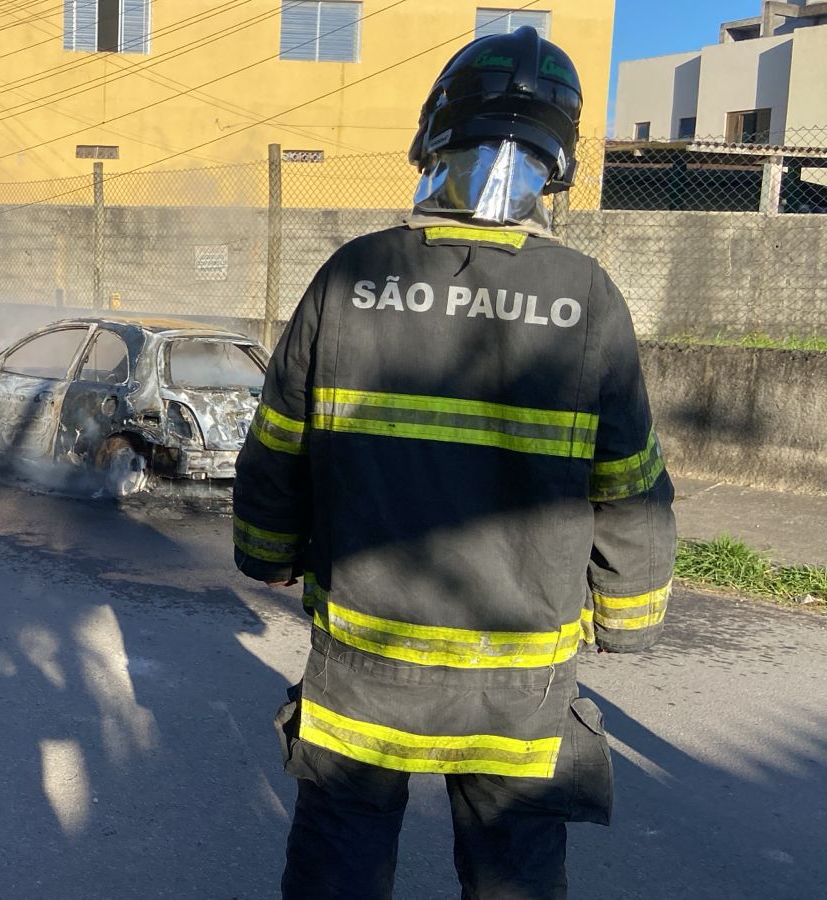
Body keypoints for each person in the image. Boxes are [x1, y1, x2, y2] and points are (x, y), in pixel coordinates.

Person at [232, 27, 676, 900]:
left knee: (340, 867)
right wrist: (627, 613)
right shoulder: (588, 298)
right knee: (513, 875)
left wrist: (268, 552)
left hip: (365, 667)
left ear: (437, 135)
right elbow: (627, 483)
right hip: (519, 680)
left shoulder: (352, 276)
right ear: (558, 161)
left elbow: (279, 441)